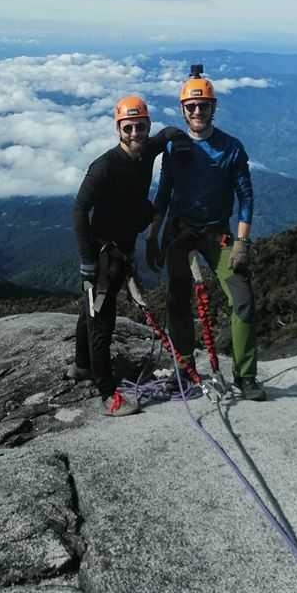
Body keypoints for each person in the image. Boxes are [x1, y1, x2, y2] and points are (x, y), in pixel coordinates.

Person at [146, 66, 267, 401]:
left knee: (243, 300)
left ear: (214, 107)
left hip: (218, 235)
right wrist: (152, 236)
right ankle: (183, 370)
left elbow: (246, 196)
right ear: (183, 109)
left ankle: (246, 376)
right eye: (191, 106)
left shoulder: (231, 148)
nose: (197, 111)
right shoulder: (174, 148)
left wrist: (242, 242)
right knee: (177, 301)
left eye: (203, 106)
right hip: (180, 231)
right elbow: (164, 193)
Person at [70, 96, 189, 416]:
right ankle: (108, 395)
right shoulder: (104, 167)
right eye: (128, 127)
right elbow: (80, 209)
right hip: (103, 252)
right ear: (118, 130)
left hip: (123, 246)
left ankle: (82, 366)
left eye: (140, 126)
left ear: (147, 126)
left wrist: (177, 136)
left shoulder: (148, 148)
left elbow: (164, 136)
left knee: (89, 312)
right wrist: (87, 260)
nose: (135, 132)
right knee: (102, 321)